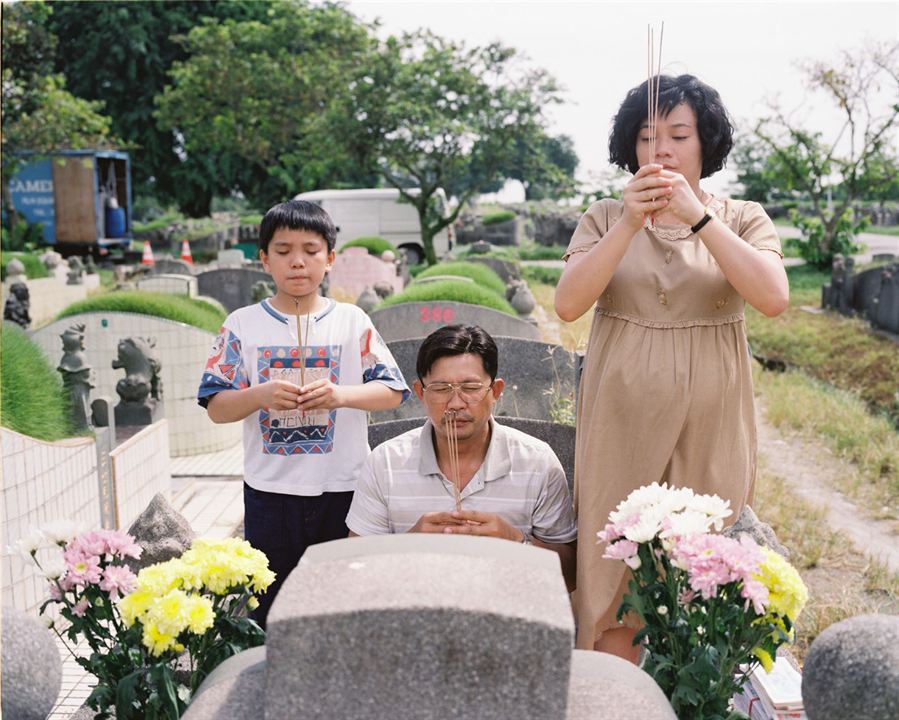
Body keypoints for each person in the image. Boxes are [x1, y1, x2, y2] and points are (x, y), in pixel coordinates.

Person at [554, 74, 789, 660]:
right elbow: (567, 303)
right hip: (620, 415)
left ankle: (697, 688)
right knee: (613, 560)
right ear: (628, 147)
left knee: (704, 553)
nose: (660, 150)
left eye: (677, 135)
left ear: (705, 143)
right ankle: (612, 690)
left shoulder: (742, 216)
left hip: (711, 415)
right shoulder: (607, 214)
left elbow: (773, 297)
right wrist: (632, 223)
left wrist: (699, 219)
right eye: (645, 136)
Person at [197, 199, 409, 628]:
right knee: (272, 611)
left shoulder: (352, 320)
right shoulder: (241, 324)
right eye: (283, 250)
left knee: (342, 607)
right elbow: (217, 408)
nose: (298, 262)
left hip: (346, 489)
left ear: (330, 259)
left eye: (311, 251)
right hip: (270, 493)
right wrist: (261, 394)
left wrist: (339, 395)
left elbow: (392, 391)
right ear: (263, 259)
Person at [346, 325, 577, 590]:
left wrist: (516, 542)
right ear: (421, 393)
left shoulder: (537, 463)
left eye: (470, 387)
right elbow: (356, 568)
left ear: (496, 391)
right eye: (441, 389)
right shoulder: (385, 463)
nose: (456, 403)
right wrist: (409, 544)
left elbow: (571, 576)